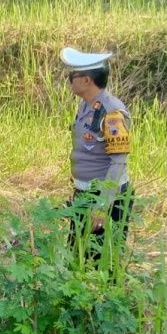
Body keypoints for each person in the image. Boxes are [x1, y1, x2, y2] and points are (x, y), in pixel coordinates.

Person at [62, 47, 132, 253]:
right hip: (84, 193)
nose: (69, 80)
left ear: (86, 80)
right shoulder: (86, 106)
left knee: (103, 263)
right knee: (76, 256)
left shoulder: (112, 112)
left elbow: (118, 162)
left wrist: (102, 206)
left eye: (72, 75)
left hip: (104, 197)